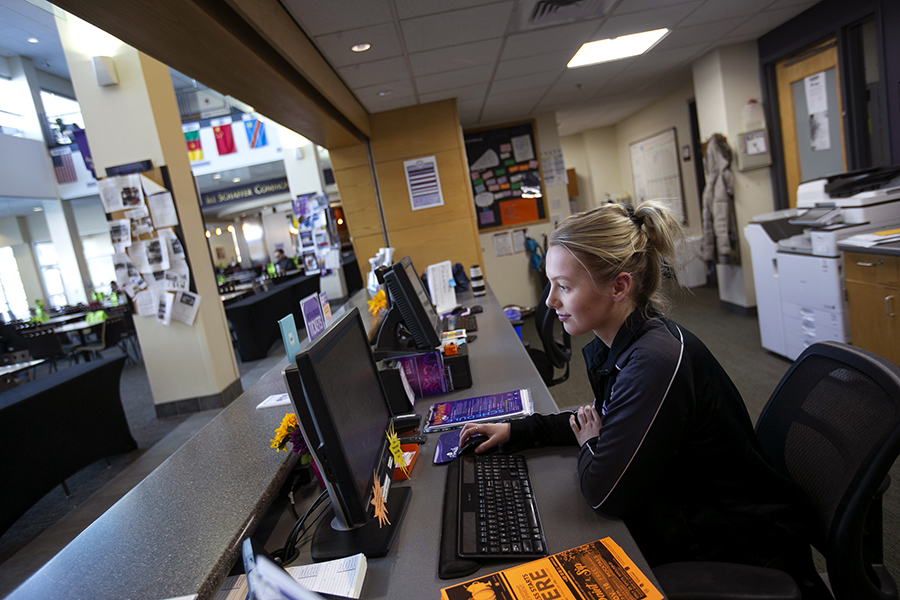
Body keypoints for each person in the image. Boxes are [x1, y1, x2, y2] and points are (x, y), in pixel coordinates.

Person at [460, 201, 824, 595]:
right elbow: (597, 419)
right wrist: (519, 431)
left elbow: (604, 492)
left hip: (736, 547)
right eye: (551, 285)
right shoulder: (622, 344)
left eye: (564, 287)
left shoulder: (654, 362)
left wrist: (591, 444)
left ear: (619, 286)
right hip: (685, 512)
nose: (549, 302)